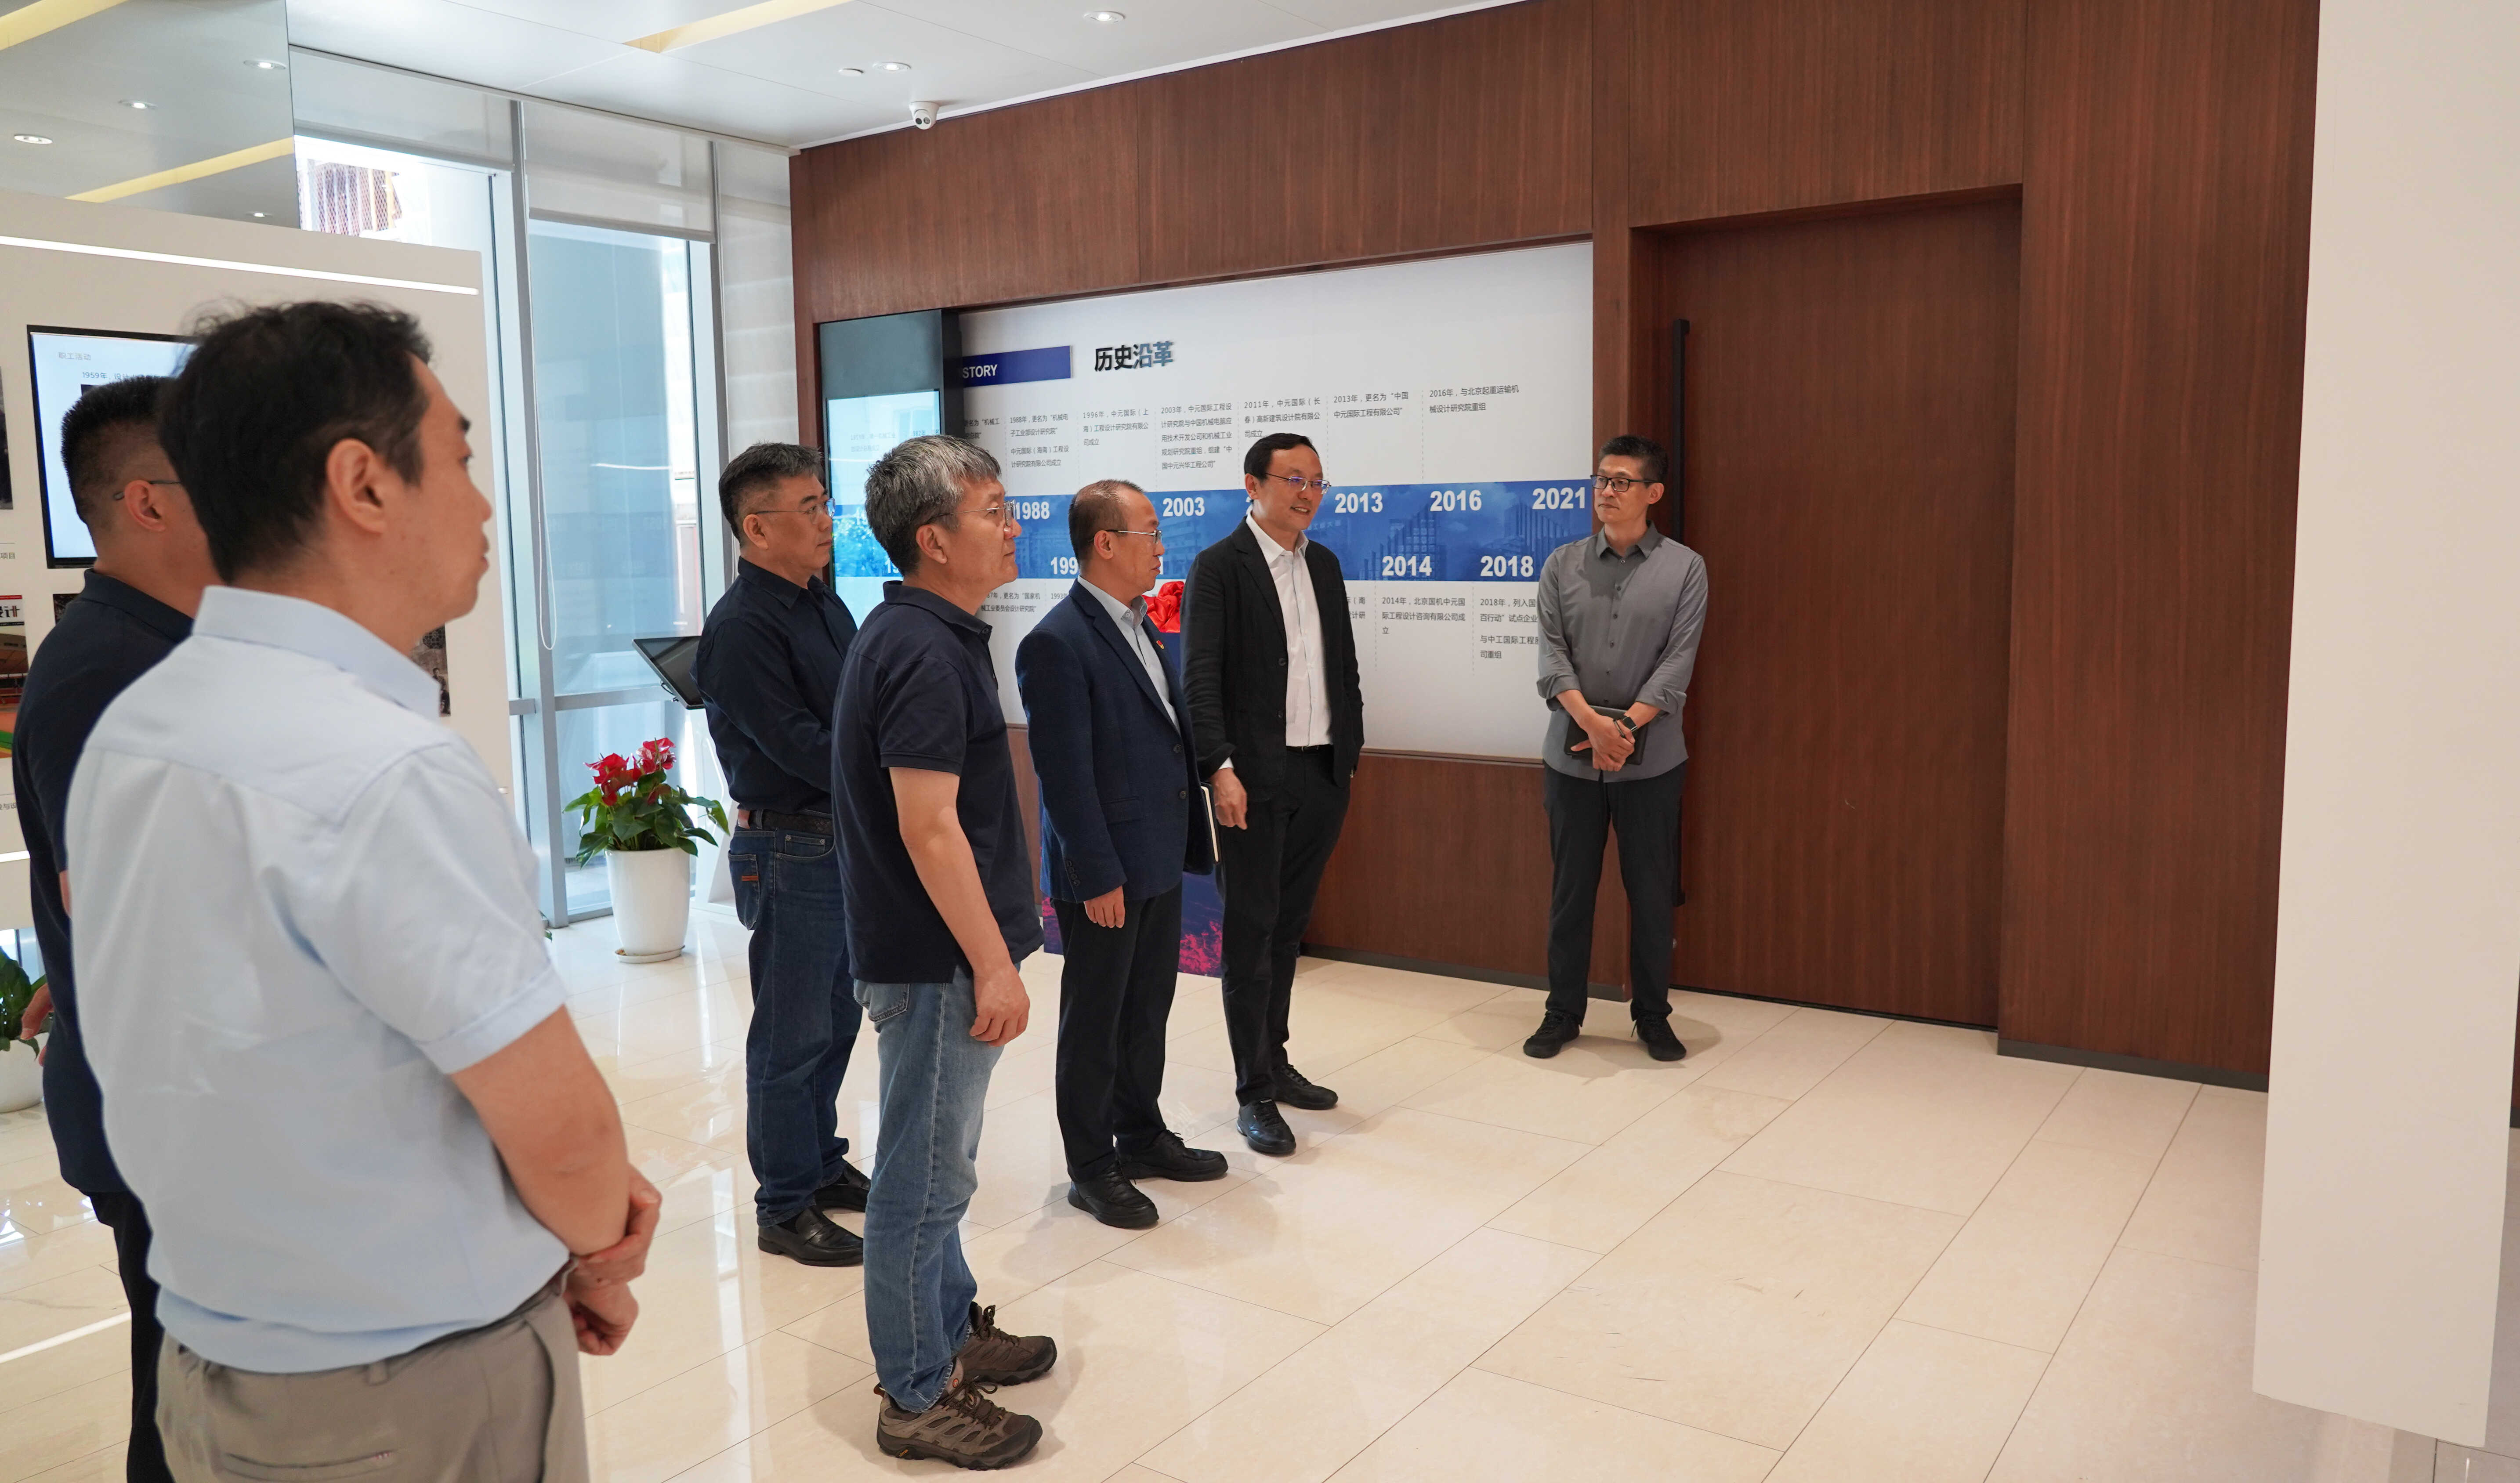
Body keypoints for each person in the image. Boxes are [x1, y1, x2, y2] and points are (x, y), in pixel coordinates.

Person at [68, 301, 659, 1482]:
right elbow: (563, 1129)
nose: (482, 506)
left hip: (215, 1370)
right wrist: (595, 1250)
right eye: (460, 459)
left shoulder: (137, 726)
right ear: (364, 483)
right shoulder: (383, 767)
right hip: (410, 1392)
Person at [833, 434, 1058, 1469]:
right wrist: (993, 962)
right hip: (936, 961)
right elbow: (929, 828)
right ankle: (917, 1392)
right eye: (994, 510)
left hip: (939, 953)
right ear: (932, 537)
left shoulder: (929, 632)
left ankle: (951, 1325)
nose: (1014, 525)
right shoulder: (921, 649)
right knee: (922, 1181)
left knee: (940, 1167)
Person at [11, 375, 214, 1483]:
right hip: (168, 1118)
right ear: (149, 500)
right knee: (190, 1404)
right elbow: (137, 921)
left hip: (187, 1102)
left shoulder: (165, 646)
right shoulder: (109, 668)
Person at [1015, 480, 1227, 1230]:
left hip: (1156, 856)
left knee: (1146, 1008)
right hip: (1104, 870)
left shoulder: (1142, 625)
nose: (1162, 547)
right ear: (1105, 543)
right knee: (1095, 1022)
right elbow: (1065, 777)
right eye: (1150, 533)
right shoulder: (1056, 642)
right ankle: (1091, 1166)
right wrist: (1097, 874)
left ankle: (1140, 1134)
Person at [694, 441, 869, 1268]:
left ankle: (820, 1162)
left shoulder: (822, 603)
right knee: (790, 1034)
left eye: (825, 502)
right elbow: (799, 744)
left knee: (836, 1019)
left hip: (840, 837)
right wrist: (887, 769)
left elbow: (857, 708)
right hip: (790, 843)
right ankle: (785, 1205)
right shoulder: (741, 627)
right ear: (757, 528)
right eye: (809, 508)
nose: (826, 520)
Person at [1183, 432, 1364, 1158]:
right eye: (1294, 479)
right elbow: (1200, 677)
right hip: (1253, 780)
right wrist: (1219, 769)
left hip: (1322, 771)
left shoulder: (1324, 565)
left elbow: (1343, 667)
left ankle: (1277, 1060)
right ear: (1252, 485)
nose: (1308, 493)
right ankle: (1253, 1092)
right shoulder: (1219, 567)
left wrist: (1348, 754)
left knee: (1289, 929)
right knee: (1251, 933)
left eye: (1317, 481)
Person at [1526, 434, 1709, 1063]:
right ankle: (1562, 1012)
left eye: (1621, 482)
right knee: (1570, 892)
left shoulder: (1685, 569)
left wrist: (1622, 731)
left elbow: (1677, 664)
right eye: (1601, 479)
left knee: (1651, 893)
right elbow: (1552, 656)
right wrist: (1592, 726)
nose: (1606, 491)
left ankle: (1652, 1016)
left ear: (1653, 493)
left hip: (1652, 762)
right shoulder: (1562, 564)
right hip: (1570, 757)